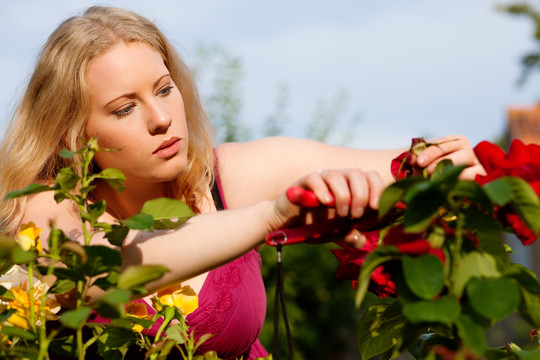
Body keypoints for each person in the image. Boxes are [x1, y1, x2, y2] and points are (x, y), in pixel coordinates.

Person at [0, 6, 484, 359]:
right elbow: (105, 272)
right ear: (73, 134)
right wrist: (270, 215)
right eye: (125, 108)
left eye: (165, 89)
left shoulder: (220, 178)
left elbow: (405, 169)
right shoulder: (40, 209)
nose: (162, 118)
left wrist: (445, 163)